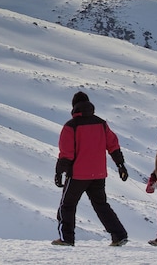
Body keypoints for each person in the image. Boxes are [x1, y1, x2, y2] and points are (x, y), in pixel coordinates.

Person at [52, 91, 129, 247]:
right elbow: (113, 145)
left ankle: (67, 239)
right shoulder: (101, 123)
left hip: (78, 175)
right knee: (101, 205)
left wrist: (59, 172)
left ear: (74, 106)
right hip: (98, 174)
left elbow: (66, 153)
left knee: (67, 206)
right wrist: (120, 165)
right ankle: (119, 235)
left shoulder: (71, 126)